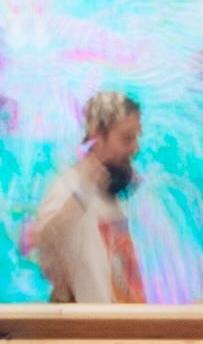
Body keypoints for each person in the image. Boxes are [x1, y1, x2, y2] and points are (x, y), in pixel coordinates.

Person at [24, 88, 149, 305]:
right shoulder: (69, 186)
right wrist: (81, 196)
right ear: (97, 137)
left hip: (121, 322)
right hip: (91, 324)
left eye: (136, 138)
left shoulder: (107, 190)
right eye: (127, 138)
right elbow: (44, 243)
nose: (135, 148)